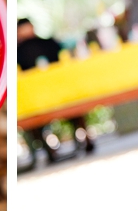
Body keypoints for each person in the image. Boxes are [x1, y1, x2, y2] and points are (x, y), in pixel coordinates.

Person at [17, 19, 94, 161]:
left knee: (74, 104)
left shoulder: (25, 48)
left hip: (43, 95)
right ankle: (76, 141)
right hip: (46, 94)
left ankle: (56, 148)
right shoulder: (22, 49)